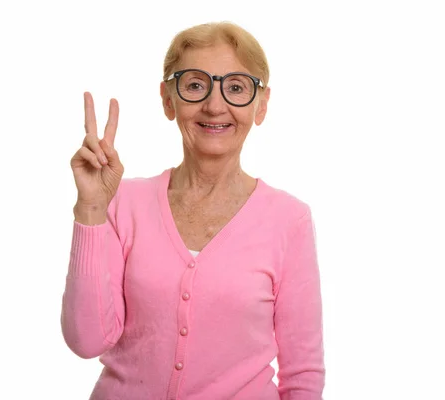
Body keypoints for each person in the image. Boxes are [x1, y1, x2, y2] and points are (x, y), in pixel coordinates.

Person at [61, 21, 325, 400]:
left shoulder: (289, 220)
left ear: (261, 105)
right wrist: (90, 208)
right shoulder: (122, 202)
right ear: (169, 100)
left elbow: (303, 376)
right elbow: (86, 341)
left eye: (236, 87)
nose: (215, 106)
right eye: (196, 85)